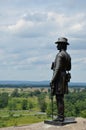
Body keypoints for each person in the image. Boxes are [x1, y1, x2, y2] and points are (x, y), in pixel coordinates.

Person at [50, 37, 71, 122]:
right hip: (64, 77)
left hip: (59, 78)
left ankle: (60, 117)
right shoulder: (67, 55)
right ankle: (61, 116)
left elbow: (57, 69)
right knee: (60, 98)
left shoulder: (60, 55)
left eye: (58, 44)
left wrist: (52, 80)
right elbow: (69, 68)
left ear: (62, 45)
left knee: (59, 98)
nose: (57, 46)